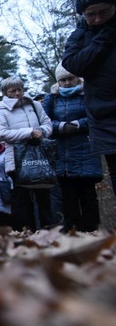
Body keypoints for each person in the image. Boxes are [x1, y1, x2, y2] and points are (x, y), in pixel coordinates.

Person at [62, 0, 116, 200]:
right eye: (90, 14)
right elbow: (73, 64)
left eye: (102, 13)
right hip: (104, 115)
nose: (96, 19)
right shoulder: (81, 35)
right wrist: (103, 38)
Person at [41, 63, 102, 232]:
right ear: (58, 81)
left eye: (70, 79)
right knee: (68, 196)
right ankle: (73, 232)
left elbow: (95, 116)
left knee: (88, 195)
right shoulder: (51, 98)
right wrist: (60, 126)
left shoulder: (87, 93)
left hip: (87, 150)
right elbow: (44, 121)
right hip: (62, 154)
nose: (67, 83)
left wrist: (77, 124)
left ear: (77, 78)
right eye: (63, 80)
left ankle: (92, 230)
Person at [0, 75, 54, 231]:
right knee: (23, 201)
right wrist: (29, 133)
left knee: (44, 199)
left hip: (39, 157)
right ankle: (28, 234)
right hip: (16, 160)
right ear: (5, 92)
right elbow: (2, 133)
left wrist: (41, 131)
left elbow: (47, 123)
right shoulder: (1, 110)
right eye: (12, 91)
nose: (17, 94)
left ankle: (49, 233)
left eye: (19, 90)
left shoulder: (34, 105)